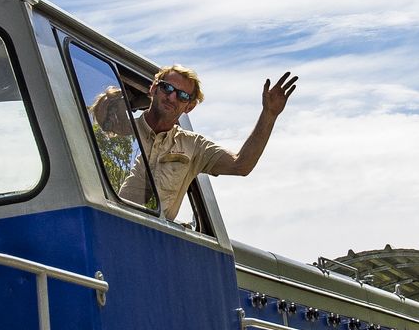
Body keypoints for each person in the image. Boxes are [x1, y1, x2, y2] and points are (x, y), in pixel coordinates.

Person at [115, 66, 298, 221]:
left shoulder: (193, 146)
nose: (172, 97)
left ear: (189, 107)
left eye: (182, 96)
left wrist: (269, 114)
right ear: (154, 88)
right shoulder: (120, 133)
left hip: (154, 240)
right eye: (167, 88)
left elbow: (241, 165)